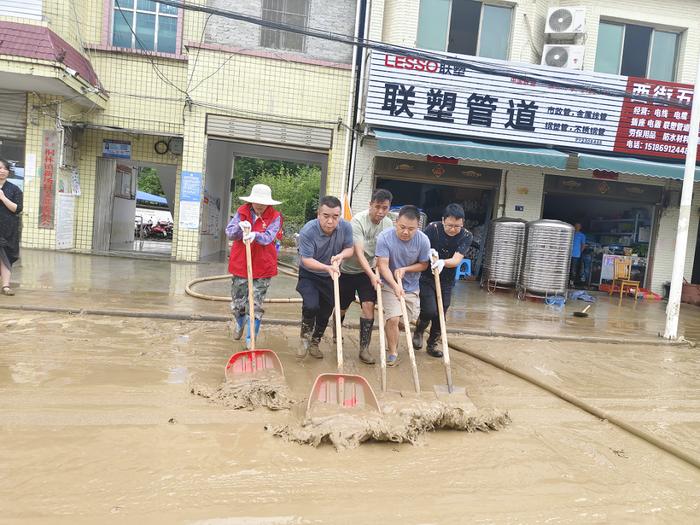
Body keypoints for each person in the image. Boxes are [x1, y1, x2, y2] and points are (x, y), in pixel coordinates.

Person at [338, 188, 394, 364]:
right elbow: (359, 253)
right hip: (347, 270)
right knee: (342, 307)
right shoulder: (358, 221)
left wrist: (377, 271)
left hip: (367, 271)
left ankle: (364, 348)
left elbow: (385, 252)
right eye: (377, 207)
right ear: (370, 205)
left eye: (385, 208)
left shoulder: (388, 224)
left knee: (369, 306)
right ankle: (337, 332)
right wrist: (372, 275)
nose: (380, 212)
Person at [296, 196, 354, 359]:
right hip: (310, 274)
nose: (330, 221)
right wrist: (326, 267)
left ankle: (315, 342)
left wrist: (341, 256)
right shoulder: (308, 231)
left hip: (331, 276)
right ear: (318, 215)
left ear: (339, 216)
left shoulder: (346, 227)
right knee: (311, 306)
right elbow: (306, 260)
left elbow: (350, 249)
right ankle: (304, 339)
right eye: (326, 216)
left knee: (325, 312)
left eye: (335, 217)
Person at [225, 184, 283, 347]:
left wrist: (254, 234)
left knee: (255, 305)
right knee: (238, 303)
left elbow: (269, 237)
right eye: (257, 202)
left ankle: (251, 340)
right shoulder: (242, 212)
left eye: (263, 203)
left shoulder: (275, 216)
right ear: (251, 201)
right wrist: (239, 228)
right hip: (241, 264)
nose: (259, 205)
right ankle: (240, 322)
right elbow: (229, 232)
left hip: (263, 266)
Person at [413, 204, 473, 357]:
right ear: (443, 220)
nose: (453, 229)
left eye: (457, 226)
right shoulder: (433, 228)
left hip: (446, 280)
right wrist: (429, 252)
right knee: (429, 310)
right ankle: (419, 331)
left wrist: (443, 262)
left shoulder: (466, 235)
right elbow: (421, 247)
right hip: (426, 277)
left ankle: (432, 344)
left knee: (441, 313)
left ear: (463, 223)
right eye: (450, 225)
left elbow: (457, 259)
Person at [376, 205, 431, 367]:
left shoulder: (423, 240)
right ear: (396, 223)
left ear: (418, 227)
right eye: (402, 227)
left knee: (402, 323)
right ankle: (392, 352)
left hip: (411, 286)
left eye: (411, 229)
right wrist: (394, 284)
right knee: (393, 318)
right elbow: (383, 265)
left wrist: (405, 269)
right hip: (388, 283)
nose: (406, 232)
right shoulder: (384, 237)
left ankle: (391, 336)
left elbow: (423, 264)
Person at [0, 159, 22, 296]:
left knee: (5, 256)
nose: (1, 171)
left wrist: (3, 197)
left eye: (4, 168)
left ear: (8, 171)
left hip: (8, 230)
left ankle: (6, 286)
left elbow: (17, 208)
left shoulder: (14, 189)